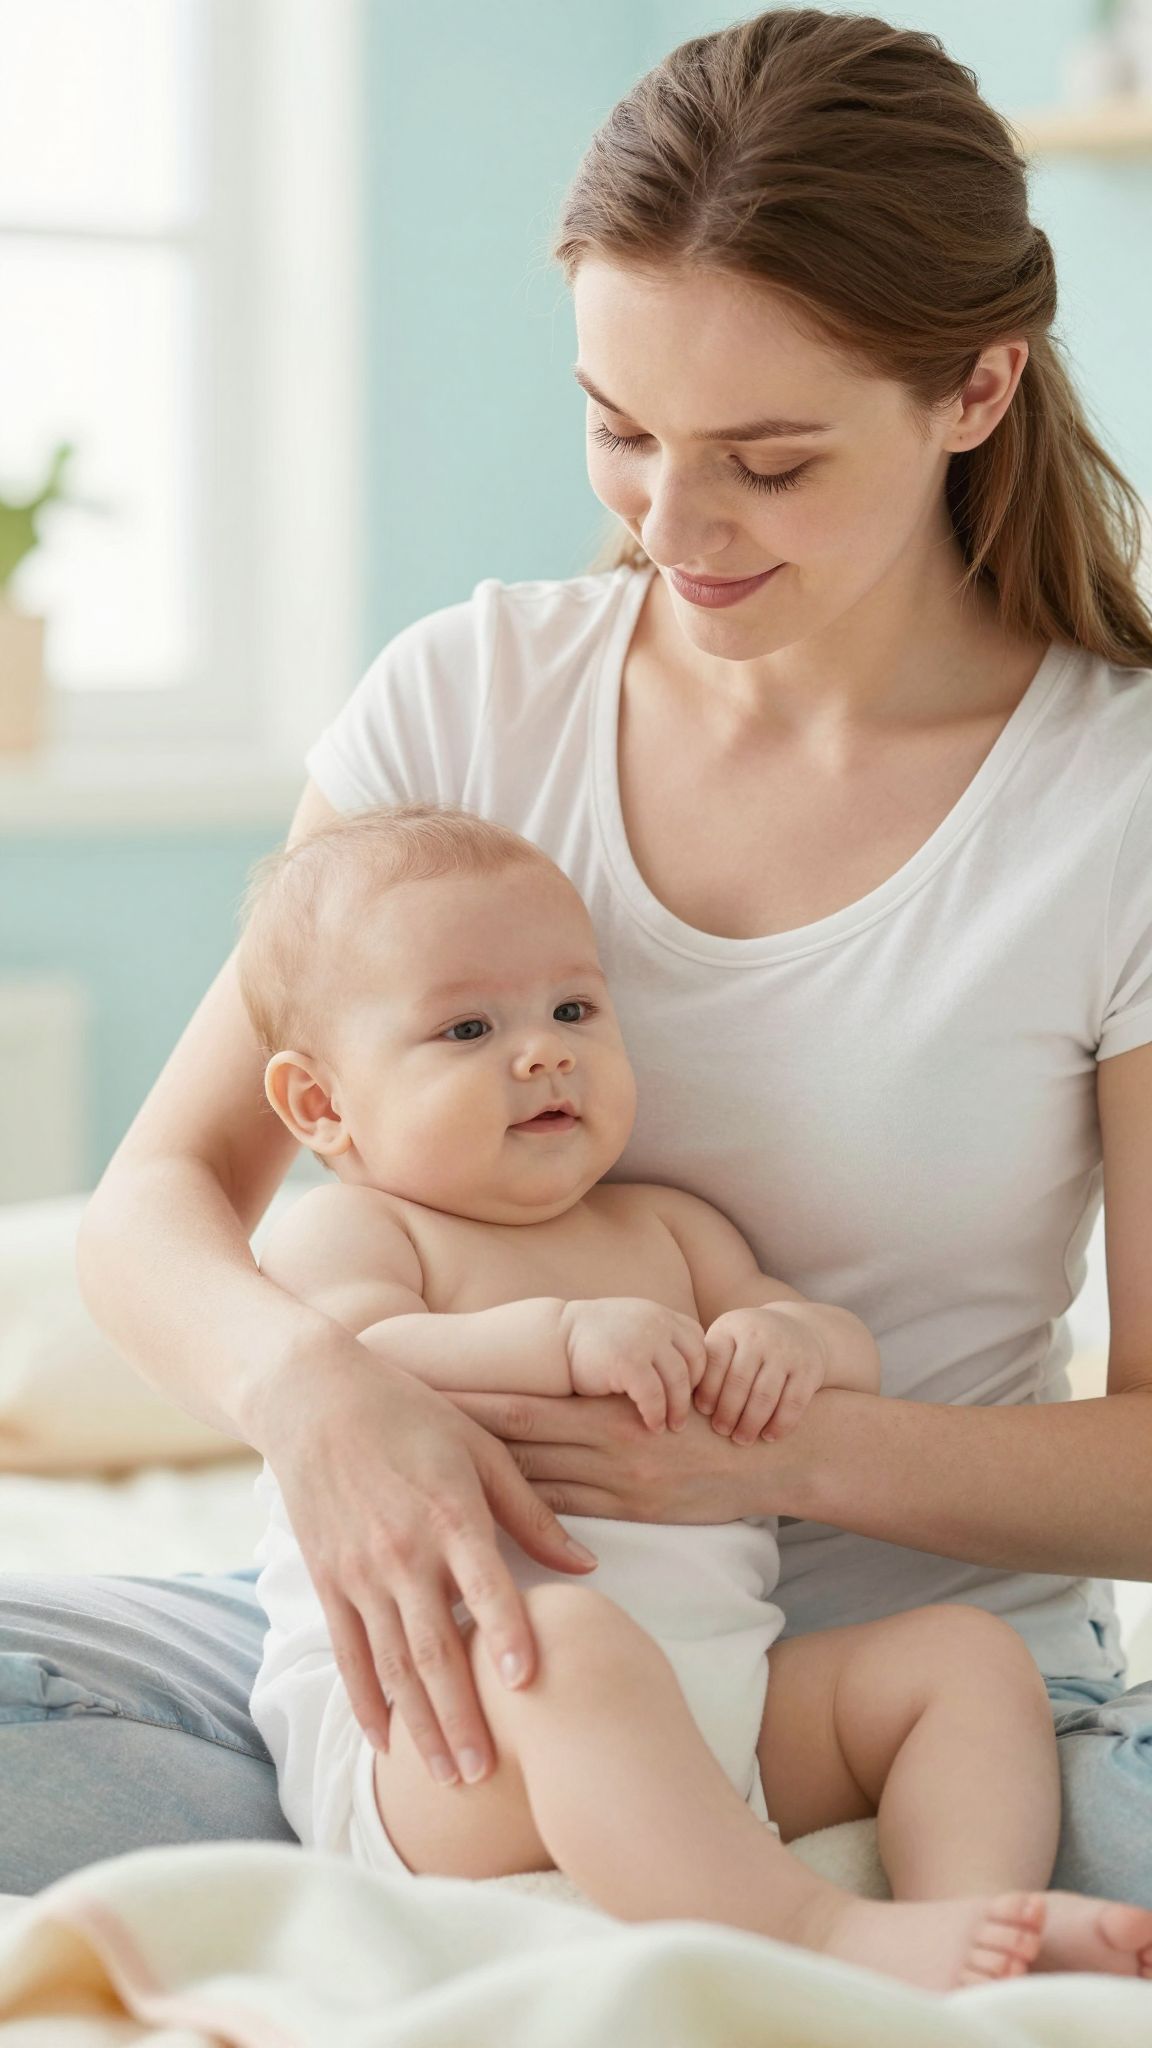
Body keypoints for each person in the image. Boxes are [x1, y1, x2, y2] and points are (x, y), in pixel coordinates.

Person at [2, 6, 1151, 1903]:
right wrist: (319, 1394)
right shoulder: (468, 695)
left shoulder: (1105, 802)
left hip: (905, 1680)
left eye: (769, 463)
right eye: (620, 429)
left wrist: (776, 1461)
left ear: (974, 389)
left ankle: (820, 1883)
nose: (670, 529)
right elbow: (158, 1200)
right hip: (441, 1638)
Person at [243, 800, 1152, 1991]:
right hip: (452, 1741)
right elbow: (356, 1354)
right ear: (321, 1105)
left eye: (573, 1008)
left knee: (964, 1659)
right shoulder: (358, 1233)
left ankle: (978, 1926)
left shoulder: (666, 1225)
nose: (542, 1050)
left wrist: (787, 1337)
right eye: (467, 1027)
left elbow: (839, 1352)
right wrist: (561, 1334)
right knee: (567, 1644)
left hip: (725, 1700)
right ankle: (822, 1932)